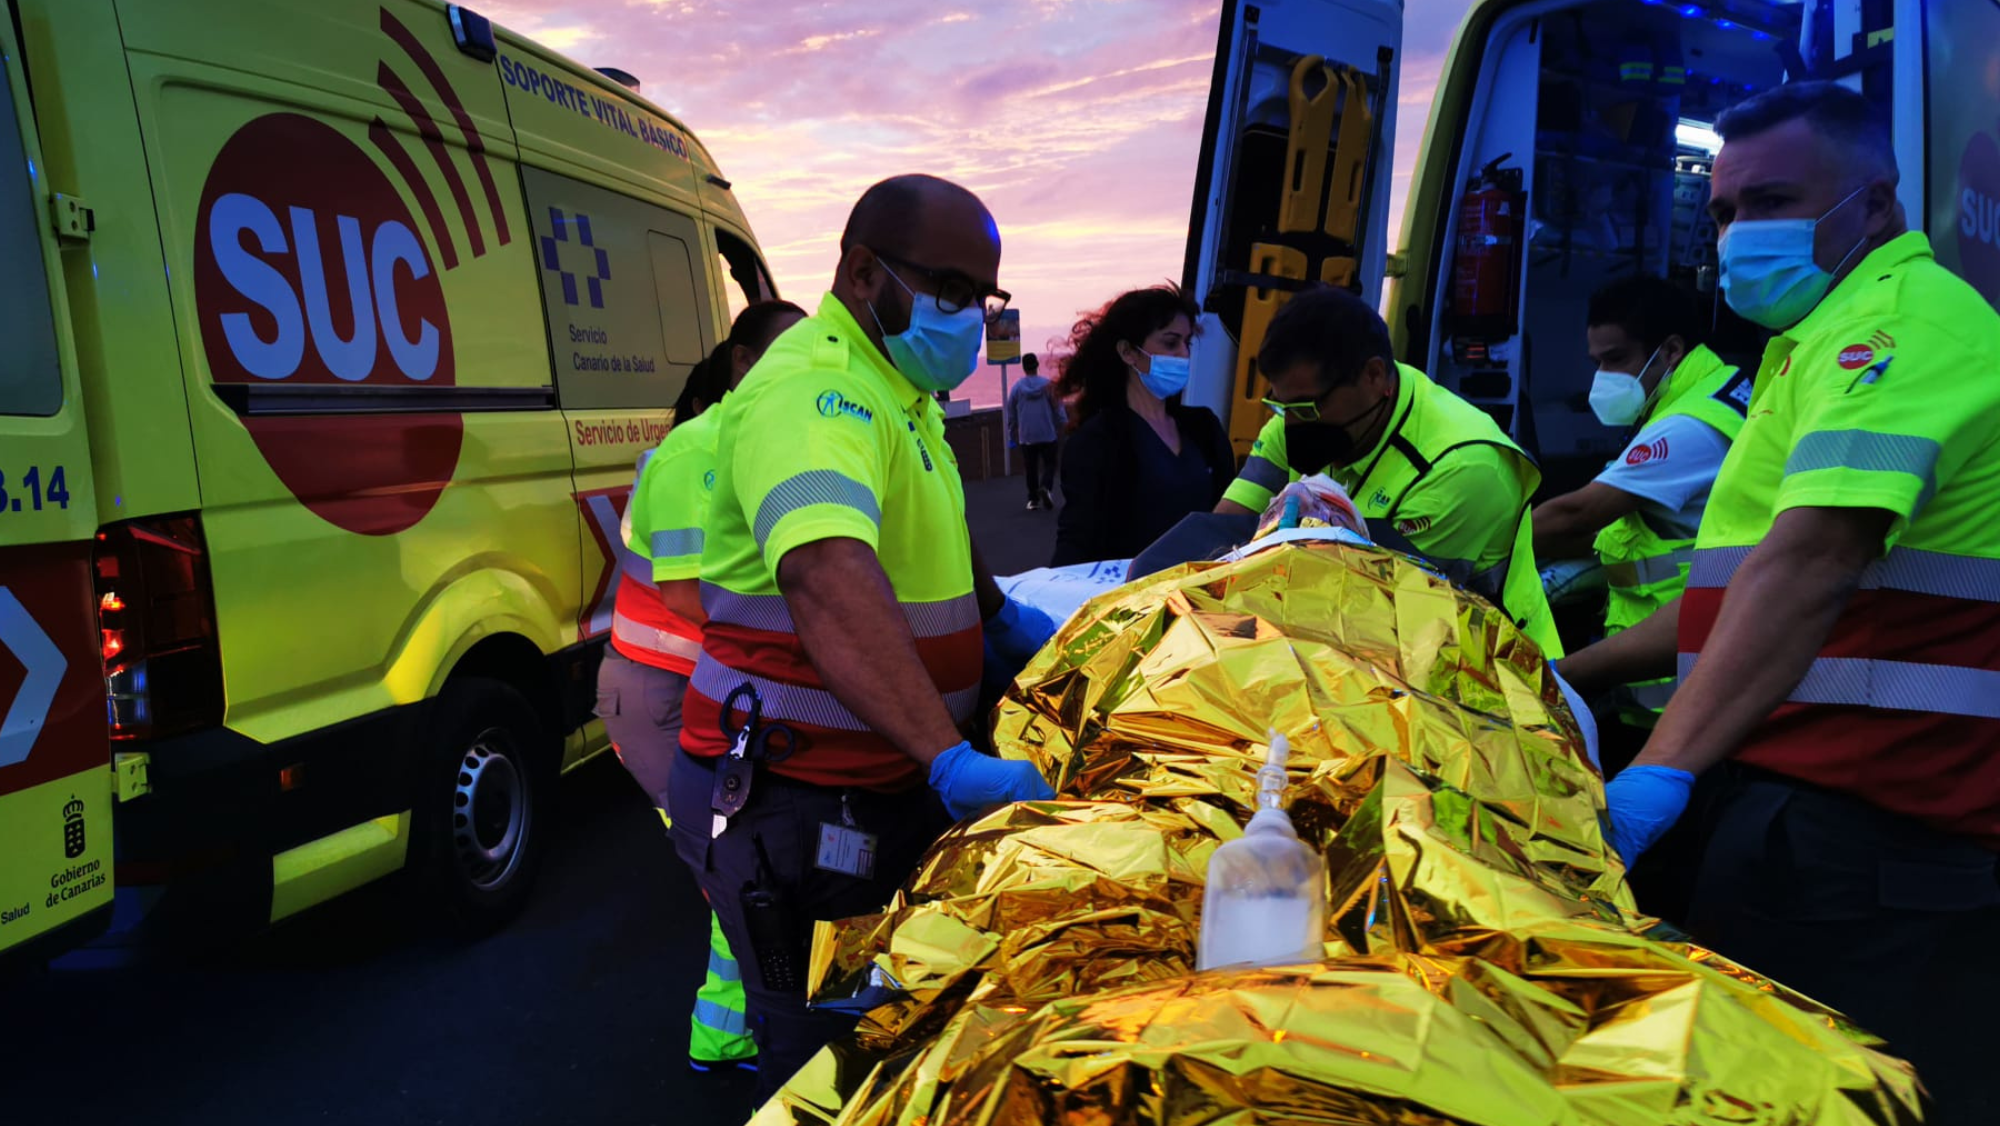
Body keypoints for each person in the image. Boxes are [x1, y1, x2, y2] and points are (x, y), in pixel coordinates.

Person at [1561, 83, 2000, 1125]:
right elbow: (1728, 593)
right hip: (1795, 802)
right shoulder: (1807, 345)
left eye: (1770, 201)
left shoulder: (1898, 330)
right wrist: (1558, 679)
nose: (1737, 234)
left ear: (1874, 208)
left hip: (1875, 831)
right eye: (1720, 212)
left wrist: (1655, 772)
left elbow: (1807, 562)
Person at [666, 174, 1058, 1099]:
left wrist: (1008, 628)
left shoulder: (902, 397)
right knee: (828, 1060)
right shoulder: (816, 391)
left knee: (889, 1019)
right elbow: (826, 573)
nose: (967, 315)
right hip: (796, 799)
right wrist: (949, 760)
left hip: (871, 789)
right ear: (861, 270)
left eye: (984, 296)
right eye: (949, 288)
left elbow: (938, 565)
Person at [597, 298, 807, 1073]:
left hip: (706, 688)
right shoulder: (696, 451)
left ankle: (733, 1031)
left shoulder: (759, 441)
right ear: (745, 364)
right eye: (791, 354)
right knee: (739, 870)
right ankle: (726, 1037)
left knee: (743, 869)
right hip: (661, 693)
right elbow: (688, 595)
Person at [1216, 286, 1562, 657]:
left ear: (1374, 376)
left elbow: (1376, 614)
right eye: (1282, 405)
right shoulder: (1298, 412)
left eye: (1306, 408)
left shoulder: (1464, 467)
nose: (1292, 423)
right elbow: (1222, 534)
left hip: (1491, 674)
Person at [1530, 277, 1747, 771]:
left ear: (1670, 350)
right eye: (1597, 362)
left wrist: (1489, 536)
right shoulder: (1710, 388)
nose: (1602, 377)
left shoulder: (1691, 425)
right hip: (1678, 684)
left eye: (1615, 359)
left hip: (1681, 698)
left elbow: (1579, 514)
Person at [1050, 285, 1234, 565]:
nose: (1184, 354)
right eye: (1171, 343)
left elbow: (1229, 518)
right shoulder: (1096, 441)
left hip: (1202, 596)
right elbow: (1077, 540)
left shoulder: (1204, 428)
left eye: (1187, 343)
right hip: (1135, 600)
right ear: (1128, 352)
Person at [1006, 353, 1064, 510]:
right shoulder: (1048, 385)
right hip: (1047, 433)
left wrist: (1011, 433)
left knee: (1031, 468)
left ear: (1024, 368)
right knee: (1050, 464)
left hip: (1027, 435)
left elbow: (1011, 412)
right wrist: (1064, 424)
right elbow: (1058, 407)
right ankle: (1045, 486)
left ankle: (1033, 500)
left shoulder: (1017, 388)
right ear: (1037, 365)